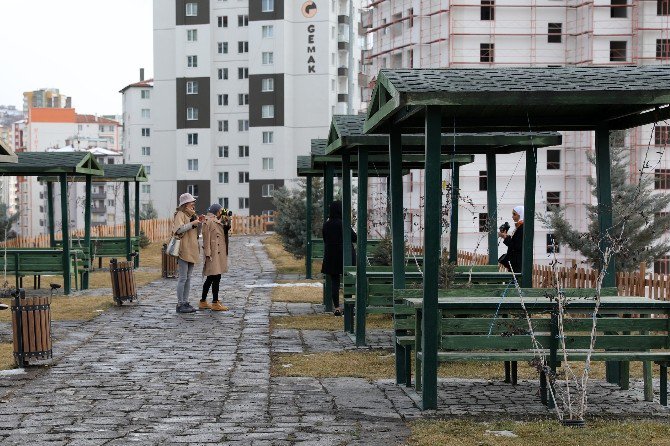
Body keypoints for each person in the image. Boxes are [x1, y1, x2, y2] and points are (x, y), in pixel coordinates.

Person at [321, 200, 357, 316]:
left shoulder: (326, 224)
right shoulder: (343, 223)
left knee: (335, 282)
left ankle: (336, 307)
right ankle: (350, 307)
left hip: (331, 255)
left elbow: (325, 239)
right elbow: (354, 238)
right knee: (349, 281)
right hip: (345, 255)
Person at [172, 193, 204, 313]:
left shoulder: (192, 215)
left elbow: (195, 232)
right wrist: (192, 224)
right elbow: (178, 230)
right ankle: (180, 304)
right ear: (185, 204)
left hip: (192, 249)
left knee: (188, 278)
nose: (193, 204)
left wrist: (198, 221)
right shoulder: (179, 215)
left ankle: (185, 302)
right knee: (183, 278)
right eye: (191, 202)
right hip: (183, 249)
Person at [200, 203, 229, 311]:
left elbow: (226, 229)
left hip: (217, 252)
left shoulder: (216, 220)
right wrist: (208, 253)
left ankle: (204, 301)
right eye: (221, 210)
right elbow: (206, 238)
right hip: (213, 253)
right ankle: (214, 302)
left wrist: (226, 218)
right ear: (216, 211)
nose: (222, 212)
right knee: (214, 277)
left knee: (213, 277)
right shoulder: (209, 221)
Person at [498, 206, 524, 273]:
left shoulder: (522, 228)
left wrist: (505, 237)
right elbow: (515, 242)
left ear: (520, 215)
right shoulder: (519, 227)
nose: (512, 217)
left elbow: (516, 246)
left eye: (514, 214)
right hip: (515, 263)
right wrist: (506, 236)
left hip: (517, 264)